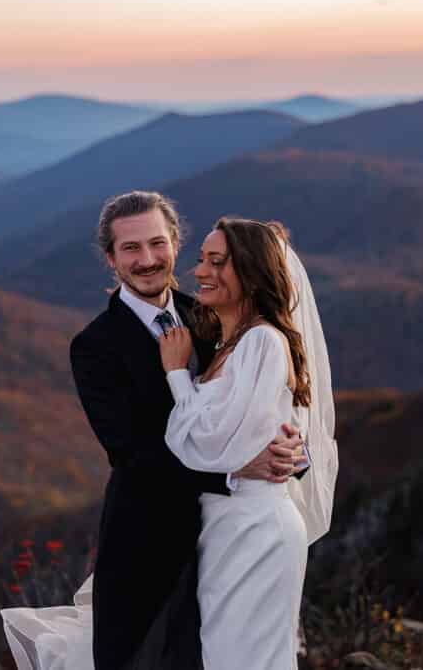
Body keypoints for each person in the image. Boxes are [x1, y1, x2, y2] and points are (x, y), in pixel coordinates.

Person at [2, 192, 309, 670]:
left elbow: (260, 400)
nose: (147, 260)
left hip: (233, 539)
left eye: (157, 244)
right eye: (130, 249)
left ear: (175, 243)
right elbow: (131, 453)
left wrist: (293, 449)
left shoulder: (211, 316)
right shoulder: (94, 347)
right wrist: (232, 474)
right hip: (147, 541)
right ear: (110, 258)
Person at [158, 217, 337, 669]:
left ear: (254, 273)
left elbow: (204, 443)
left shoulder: (262, 342)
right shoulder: (229, 343)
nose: (199, 271)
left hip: (256, 527)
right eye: (201, 259)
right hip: (230, 527)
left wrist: (177, 374)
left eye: (217, 262)